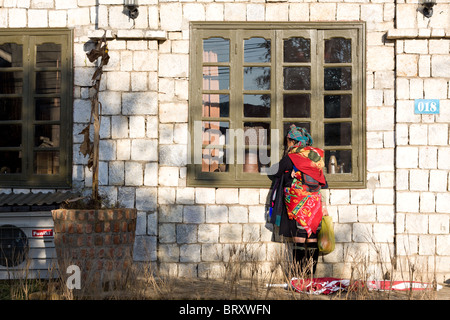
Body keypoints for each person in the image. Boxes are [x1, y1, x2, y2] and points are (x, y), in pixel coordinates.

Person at [269, 124, 328, 276]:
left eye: (288, 141)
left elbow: (273, 171)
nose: (287, 143)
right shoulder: (316, 157)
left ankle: (298, 276)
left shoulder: (292, 157)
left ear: (294, 142)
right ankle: (310, 276)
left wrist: (288, 174)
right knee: (313, 237)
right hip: (314, 203)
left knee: (299, 238)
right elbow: (323, 182)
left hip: (298, 204)